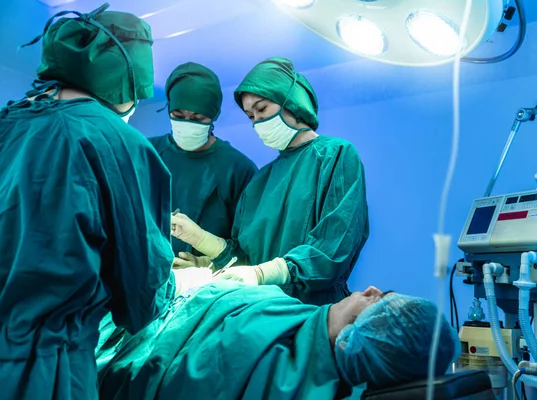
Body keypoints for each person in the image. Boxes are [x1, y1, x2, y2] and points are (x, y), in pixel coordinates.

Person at [0, 5, 176, 399]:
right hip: (43, 372)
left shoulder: (8, 122)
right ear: (130, 82)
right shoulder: (116, 141)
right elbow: (142, 297)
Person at [171, 57, 369, 306]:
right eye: (250, 115)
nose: (257, 121)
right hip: (260, 312)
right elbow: (246, 260)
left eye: (261, 109)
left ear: (292, 100)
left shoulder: (335, 155)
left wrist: (262, 273)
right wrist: (201, 241)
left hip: (313, 313)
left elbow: (332, 251)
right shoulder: (261, 180)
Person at [95, 281, 460, 399]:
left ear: (369, 295)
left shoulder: (265, 332)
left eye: (381, 299)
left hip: (115, 341)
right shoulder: (323, 383)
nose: (373, 289)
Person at [148, 63, 257, 267]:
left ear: (213, 116)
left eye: (198, 118)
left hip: (210, 285)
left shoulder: (238, 169)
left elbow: (250, 250)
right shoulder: (146, 153)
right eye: (178, 116)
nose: (187, 123)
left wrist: (205, 264)